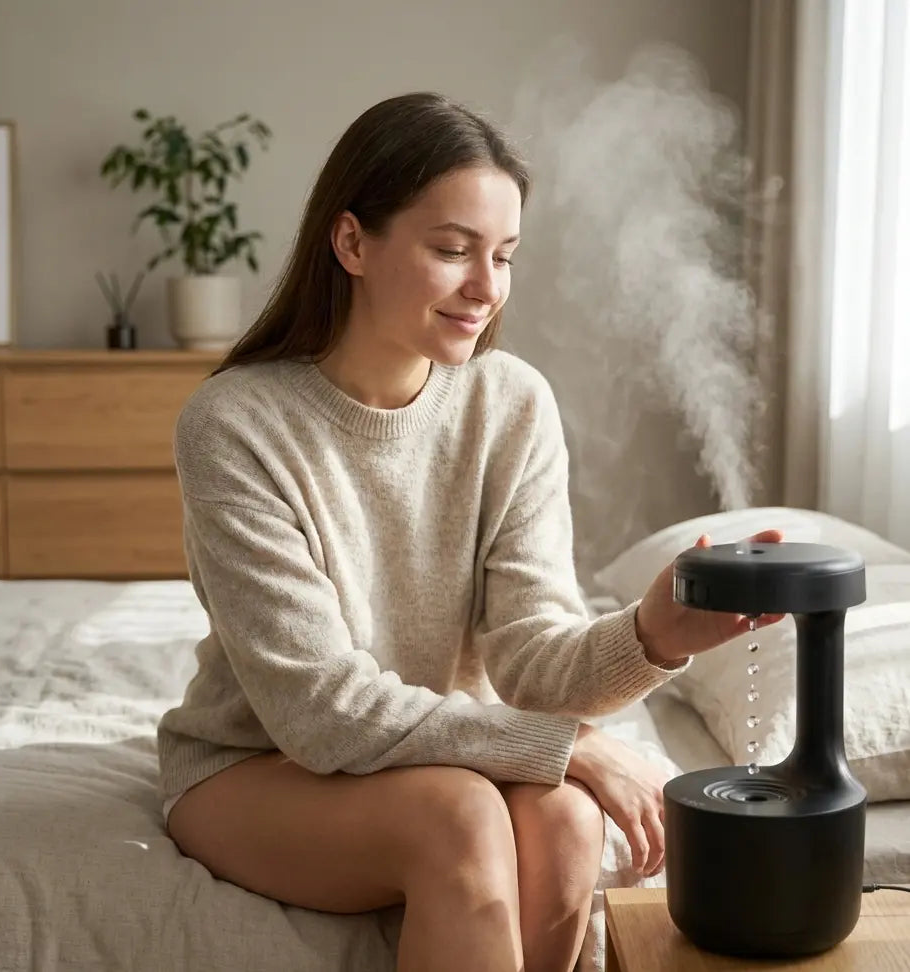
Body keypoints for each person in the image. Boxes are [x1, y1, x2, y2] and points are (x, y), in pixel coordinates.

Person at [158, 91, 784, 972]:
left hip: (437, 756)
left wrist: (653, 635)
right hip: (258, 767)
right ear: (352, 243)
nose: (487, 288)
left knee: (566, 821)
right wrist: (569, 747)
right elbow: (318, 710)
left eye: (504, 255)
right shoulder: (234, 424)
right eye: (453, 250)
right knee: (460, 819)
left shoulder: (511, 402)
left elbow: (528, 659)